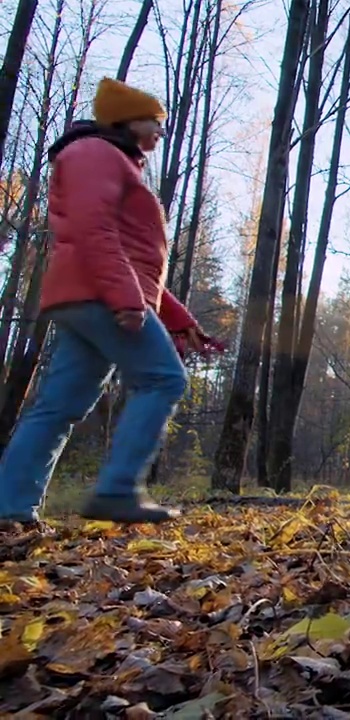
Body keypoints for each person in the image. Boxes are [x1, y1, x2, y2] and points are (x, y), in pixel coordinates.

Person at [0, 77, 218, 528]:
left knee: (59, 405)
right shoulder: (94, 154)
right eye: (155, 122)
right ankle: (117, 490)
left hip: (91, 293)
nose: (161, 132)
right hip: (99, 293)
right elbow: (93, 231)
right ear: (128, 120)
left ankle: (10, 509)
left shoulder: (108, 159)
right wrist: (125, 299)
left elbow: (136, 259)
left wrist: (178, 319)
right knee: (163, 379)